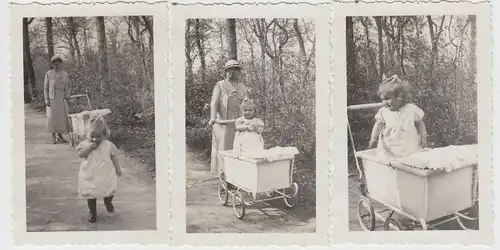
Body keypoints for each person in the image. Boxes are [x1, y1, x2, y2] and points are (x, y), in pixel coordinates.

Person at [368, 74, 428, 158]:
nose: (385, 102)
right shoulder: (383, 111)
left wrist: (423, 138)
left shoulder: (411, 110)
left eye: (387, 99)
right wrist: (373, 138)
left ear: (399, 97)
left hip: (409, 146)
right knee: (390, 161)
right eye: (383, 99)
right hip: (389, 148)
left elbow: (419, 123)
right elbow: (378, 125)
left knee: (411, 160)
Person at [76, 115, 122, 223]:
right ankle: (92, 212)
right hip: (90, 174)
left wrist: (118, 169)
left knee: (109, 190)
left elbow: (114, 158)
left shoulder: (108, 145)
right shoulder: (85, 144)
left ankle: (108, 201)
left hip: (105, 173)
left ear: (105, 135)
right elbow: (80, 154)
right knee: (90, 193)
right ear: (87, 134)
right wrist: (89, 148)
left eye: (99, 136)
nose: (95, 139)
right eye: (92, 136)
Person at [208, 60, 249, 175]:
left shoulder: (243, 87)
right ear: (226, 72)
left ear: (238, 72)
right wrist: (212, 117)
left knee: (239, 149)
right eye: (229, 70)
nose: (231, 72)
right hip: (224, 123)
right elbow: (214, 102)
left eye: (234, 69)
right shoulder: (220, 85)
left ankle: (237, 176)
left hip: (239, 122)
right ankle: (223, 177)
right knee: (225, 150)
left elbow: (248, 104)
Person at [44, 55, 71, 144]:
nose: (56, 65)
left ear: (61, 64)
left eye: (58, 64)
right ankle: (53, 136)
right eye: (54, 64)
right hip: (51, 99)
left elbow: (69, 86)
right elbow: (46, 88)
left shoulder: (65, 74)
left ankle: (60, 136)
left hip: (61, 98)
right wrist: (46, 99)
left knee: (61, 118)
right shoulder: (49, 74)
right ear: (52, 64)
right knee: (52, 118)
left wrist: (67, 95)